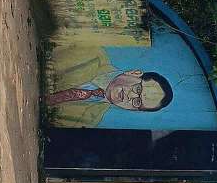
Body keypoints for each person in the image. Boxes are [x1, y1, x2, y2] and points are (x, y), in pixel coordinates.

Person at [46, 48, 174, 126]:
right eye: (138, 89)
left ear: (133, 110)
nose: (130, 96)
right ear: (134, 73)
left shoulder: (89, 120)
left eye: (138, 102)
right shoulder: (92, 55)